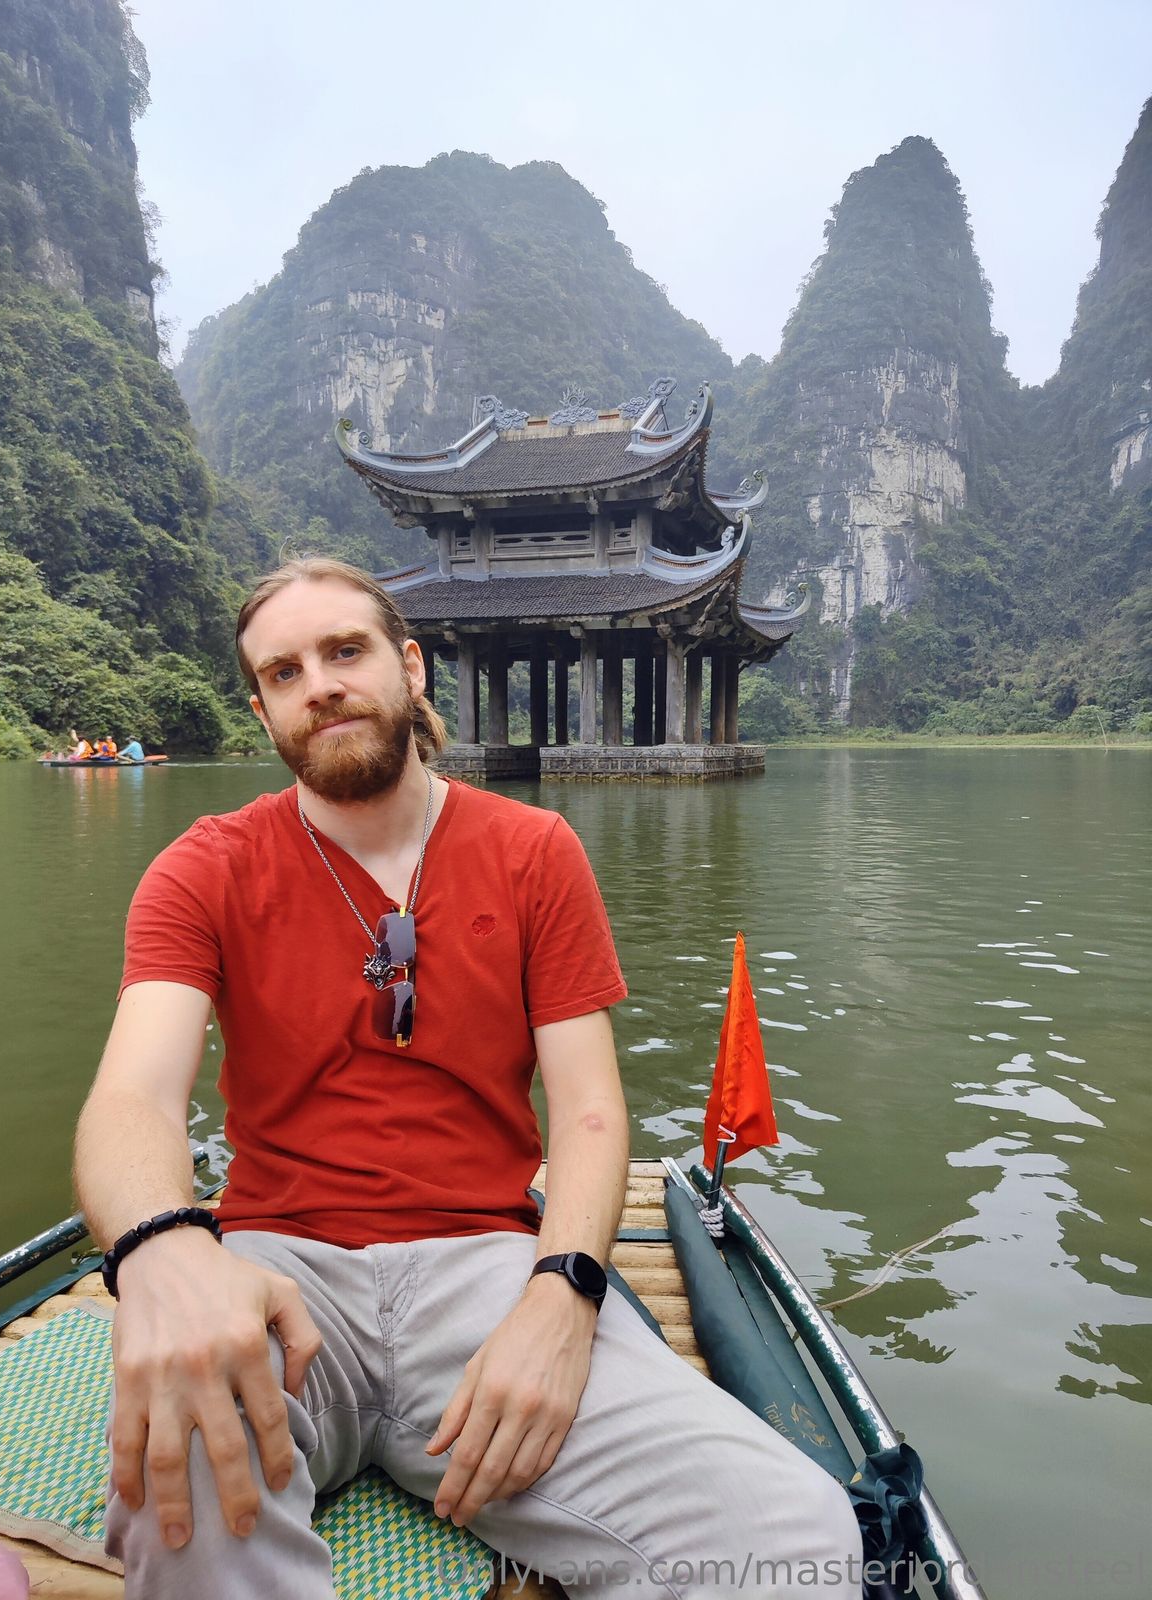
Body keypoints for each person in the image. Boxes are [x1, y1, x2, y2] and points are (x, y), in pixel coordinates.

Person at [73, 557, 859, 1600]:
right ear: (261, 709)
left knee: (797, 1535)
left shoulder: (534, 851)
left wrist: (564, 1291)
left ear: (410, 666)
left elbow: (588, 1111)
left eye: (345, 651)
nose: (321, 685)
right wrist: (163, 1247)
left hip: (487, 1266)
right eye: (284, 672)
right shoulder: (204, 868)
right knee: (175, 1485)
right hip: (280, 1270)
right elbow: (131, 1096)